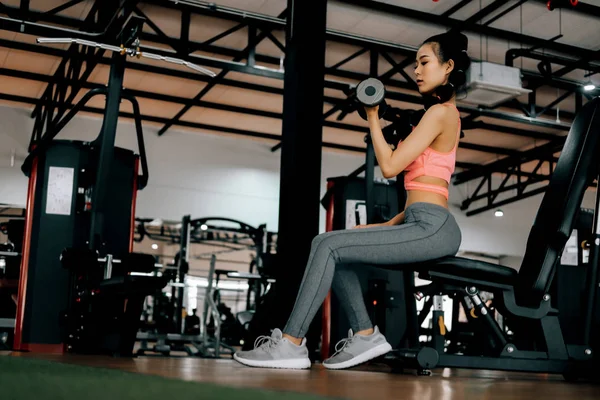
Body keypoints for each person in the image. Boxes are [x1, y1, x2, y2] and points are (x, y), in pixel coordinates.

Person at [233, 30, 471, 370]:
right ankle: (364, 334)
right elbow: (421, 190)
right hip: (420, 219)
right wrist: (387, 224)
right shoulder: (433, 116)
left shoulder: (442, 114)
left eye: (424, 62)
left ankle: (291, 344)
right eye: (414, 64)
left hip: (434, 226)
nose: (416, 70)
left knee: (325, 243)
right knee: (338, 252)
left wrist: (373, 116)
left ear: (447, 66)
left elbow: (389, 166)